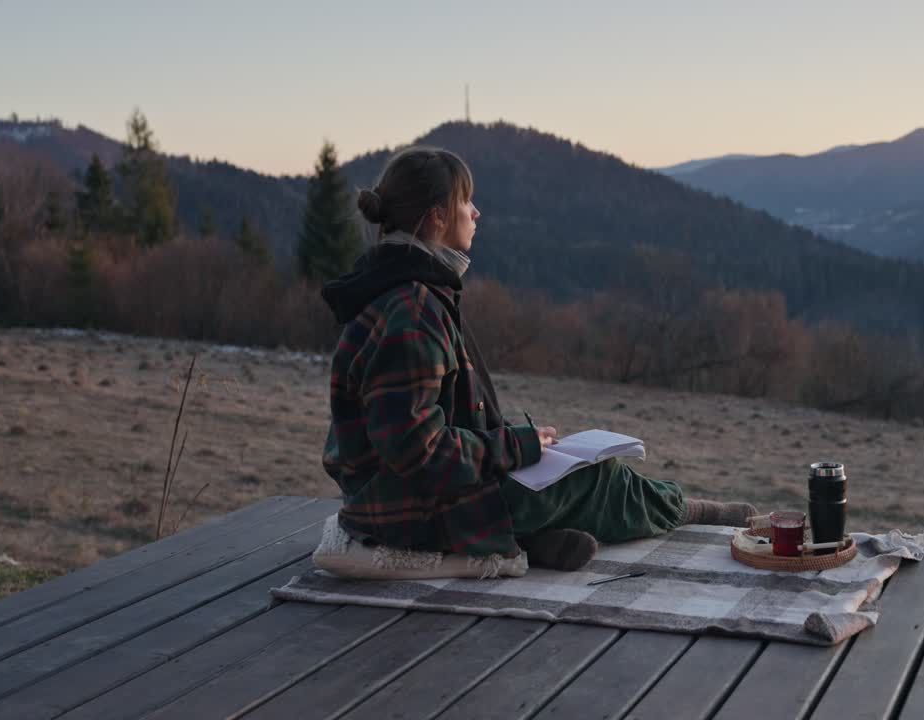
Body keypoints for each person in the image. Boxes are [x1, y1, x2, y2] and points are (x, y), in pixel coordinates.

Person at [319, 145, 756, 571]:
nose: (476, 212)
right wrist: (516, 446)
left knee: (559, 466)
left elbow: (435, 425)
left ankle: (531, 542)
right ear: (436, 215)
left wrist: (522, 440)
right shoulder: (413, 310)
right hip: (406, 511)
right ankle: (693, 511)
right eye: (466, 201)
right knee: (596, 479)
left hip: (398, 499)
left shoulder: (411, 290)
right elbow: (419, 451)